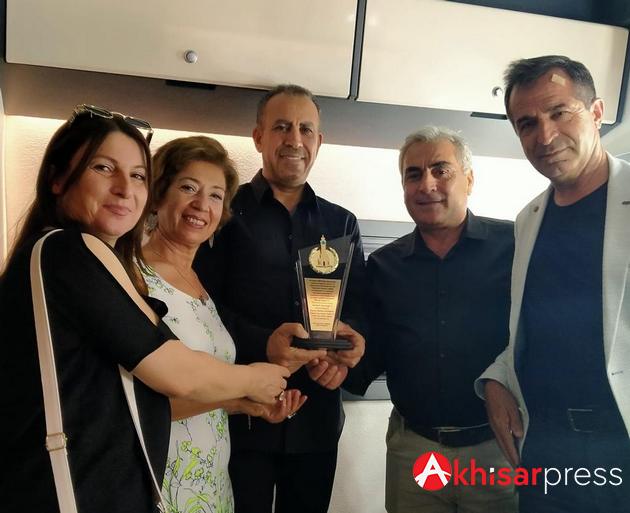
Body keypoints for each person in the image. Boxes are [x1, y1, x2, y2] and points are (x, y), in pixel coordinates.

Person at [0, 105, 290, 513]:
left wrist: (236, 398)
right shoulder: (68, 250)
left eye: (137, 175)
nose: (124, 188)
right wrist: (254, 379)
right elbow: (173, 372)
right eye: (104, 168)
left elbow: (115, 396)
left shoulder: (75, 257)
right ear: (58, 178)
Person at [194, 84, 366, 513]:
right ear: (259, 137)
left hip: (317, 417)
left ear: (319, 141)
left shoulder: (342, 223)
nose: (295, 139)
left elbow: (360, 308)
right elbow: (201, 308)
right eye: (282, 127)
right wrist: (263, 343)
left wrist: (348, 355)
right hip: (242, 414)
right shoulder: (222, 213)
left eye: (306, 129)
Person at [477, 55, 630, 512]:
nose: (544, 136)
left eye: (560, 112)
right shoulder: (528, 220)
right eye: (527, 124)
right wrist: (496, 380)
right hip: (544, 447)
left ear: (597, 112)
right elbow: (532, 329)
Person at [343, 126, 516, 512]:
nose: (427, 184)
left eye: (441, 170)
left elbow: (542, 335)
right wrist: (340, 357)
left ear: (469, 179)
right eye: (413, 174)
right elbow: (374, 353)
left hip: (496, 449)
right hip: (415, 451)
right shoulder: (383, 265)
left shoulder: (515, 246)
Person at [142, 135, 308, 513]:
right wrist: (248, 380)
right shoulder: (135, 277)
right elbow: (135, 404)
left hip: (212, 485)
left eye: (216, 195)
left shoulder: (198, 283)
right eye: (188, 188)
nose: (202, 205)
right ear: (157, 195)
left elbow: (198, 390)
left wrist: (243, 404)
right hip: (161, 484)